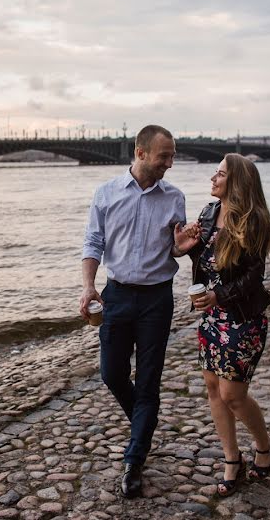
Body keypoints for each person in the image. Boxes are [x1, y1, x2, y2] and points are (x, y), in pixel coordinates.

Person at [79, 124, 191, 498]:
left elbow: (173, 249)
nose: (170, 163)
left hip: (157, 299)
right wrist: (88, 286)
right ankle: (145, 422)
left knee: (148, 380)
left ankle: (134, 459)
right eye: (165, 156)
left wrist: (181, 247)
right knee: (111, 374)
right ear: (141, 153)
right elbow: (93, 242)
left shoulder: (174, 197)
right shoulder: (106, 193)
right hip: (118, 296)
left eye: (172, 156)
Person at [173, 153, 270, 497]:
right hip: (211, 317)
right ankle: (233, 460)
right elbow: (207, 259)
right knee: (213, 388)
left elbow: (252, 277)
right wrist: (184, 248)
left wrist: (219, 296)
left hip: (242, 318)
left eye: (218, 174)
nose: (212, 179)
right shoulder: (208, 212)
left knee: (234, 393)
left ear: (236, 182)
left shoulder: (254, 220)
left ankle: (264, 446)